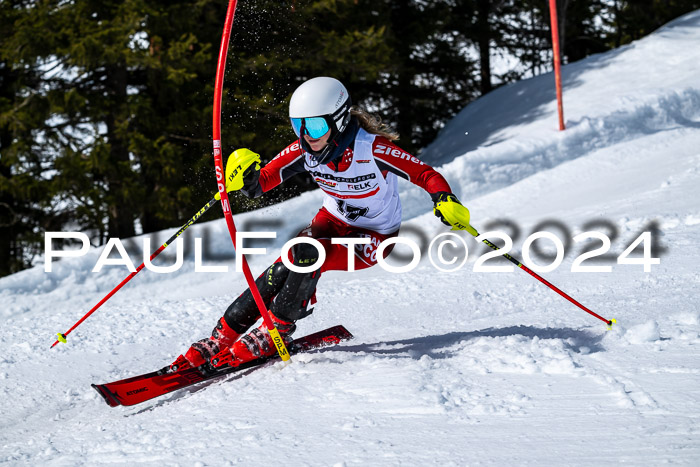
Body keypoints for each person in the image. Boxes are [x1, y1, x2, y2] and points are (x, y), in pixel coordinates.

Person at [170, 76, 471, 371]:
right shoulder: (305, 151)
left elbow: (425, 174)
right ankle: (223, 335)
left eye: (314, 125)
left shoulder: (372, 149)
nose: (306, 135)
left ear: (338, 120)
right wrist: (245, 178)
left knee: (306, 254)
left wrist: (444, 198)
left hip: (374, 240)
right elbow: (262, 182)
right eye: (298, 126)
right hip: (332, 222)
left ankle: (277, 331)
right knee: (288, 260)